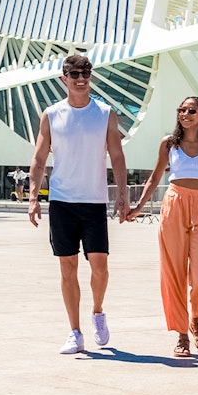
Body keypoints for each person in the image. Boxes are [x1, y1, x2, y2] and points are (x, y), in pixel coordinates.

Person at [28, 54, 128, 355]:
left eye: (85, 72)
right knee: (67, 268)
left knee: (100, 267)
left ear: (91, 76)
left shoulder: (105, 114)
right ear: (64, 79)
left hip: (94, 200)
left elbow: (117, 156)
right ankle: (75, 332)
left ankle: (97, 312)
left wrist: (122, 192)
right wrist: (34, 197)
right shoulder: (51, 115)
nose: (80, 78)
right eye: (74, 74)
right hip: (62, 201)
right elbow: (39, 158)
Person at [128, 96, 198, 357]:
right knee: (174, 272)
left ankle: (196, 319)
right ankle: (182, 333)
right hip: (174, 205)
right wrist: (138, 207)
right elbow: (155, 177)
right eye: (181, 110)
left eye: (191, 110)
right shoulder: (169, 144)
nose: (185, 114)